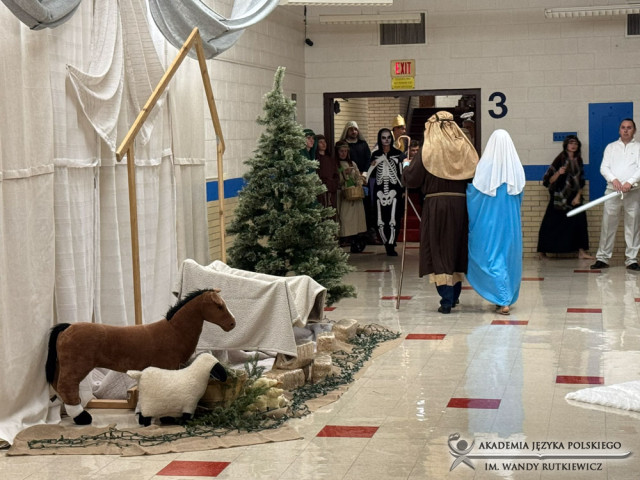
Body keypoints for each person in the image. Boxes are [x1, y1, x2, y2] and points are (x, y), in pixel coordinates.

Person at [402, 111, 478, 314]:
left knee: (439, 247)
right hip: (461, 204)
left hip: (437, 204)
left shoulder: (429, 149)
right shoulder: (464, 146)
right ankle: (454, 295)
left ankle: (446, 299)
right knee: (456, 246)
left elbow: (412, 179)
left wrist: (406, 166)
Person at [467, 130, 525, 316]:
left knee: (492, 257)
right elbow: (520, 197)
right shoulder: (516, 169)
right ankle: (504, 296)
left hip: (489, 224)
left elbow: (474, 195)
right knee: (507, 258)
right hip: (511, 225)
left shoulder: (484, 168)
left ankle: (502, 299)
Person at [591, 118, 640, 270]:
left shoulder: (638, 147)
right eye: (623, 127)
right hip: (612, 191)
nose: (626, 130)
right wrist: (614, 180)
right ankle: (602, 258)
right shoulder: (611, 147)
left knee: (633, 225)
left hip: (633, 192)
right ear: (619, 130)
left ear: (634, 130)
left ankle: (632, 259)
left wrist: (630, 181)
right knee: (608, 225)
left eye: (629, 127)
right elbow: (604, 167)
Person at [537, 135, 593, 260]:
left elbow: (580, 181)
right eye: (571, 143)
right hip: (559, 197)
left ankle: (581, 252)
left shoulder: (578, 160)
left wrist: (578, 196)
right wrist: (558, 173)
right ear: (566, 145)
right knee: (551, 223)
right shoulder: (560, 159)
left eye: (576, 143)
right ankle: (542, 252)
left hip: (574, 197)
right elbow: (548, 181)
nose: (573, 145)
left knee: (580, 222)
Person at [367, 128, 405, 256]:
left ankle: (391, 243)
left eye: (389, 137)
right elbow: (371, 175)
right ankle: (387, 243)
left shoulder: (398, 154)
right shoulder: (375, 155)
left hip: (395, 190)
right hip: (379, 190)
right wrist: (372, 165)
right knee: (381, 217)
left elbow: (403, 172)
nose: (386, 140)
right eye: (383, 138)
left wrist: (403, 189)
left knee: (395, 217)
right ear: (380, 139)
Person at [335, 141, 367, 252]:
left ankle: (356, 240)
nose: (343, 153)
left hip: (354, 194)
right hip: (344, 194)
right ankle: (343, 238)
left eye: (345, 151)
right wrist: (345, 174)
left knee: (356, 219)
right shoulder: (335, 164)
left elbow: (357, 176)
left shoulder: (352, 163)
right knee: (345, 218)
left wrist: (360, 181)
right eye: (341, 151)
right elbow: (336, 179)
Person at [315, 134, 339, 213]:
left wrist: (334, 183)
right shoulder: (315, 160)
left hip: (331, 190)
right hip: (321, 190)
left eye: (324, 142)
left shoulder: (330, 159)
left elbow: (336, 173)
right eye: (320, 142)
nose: (323, 144)